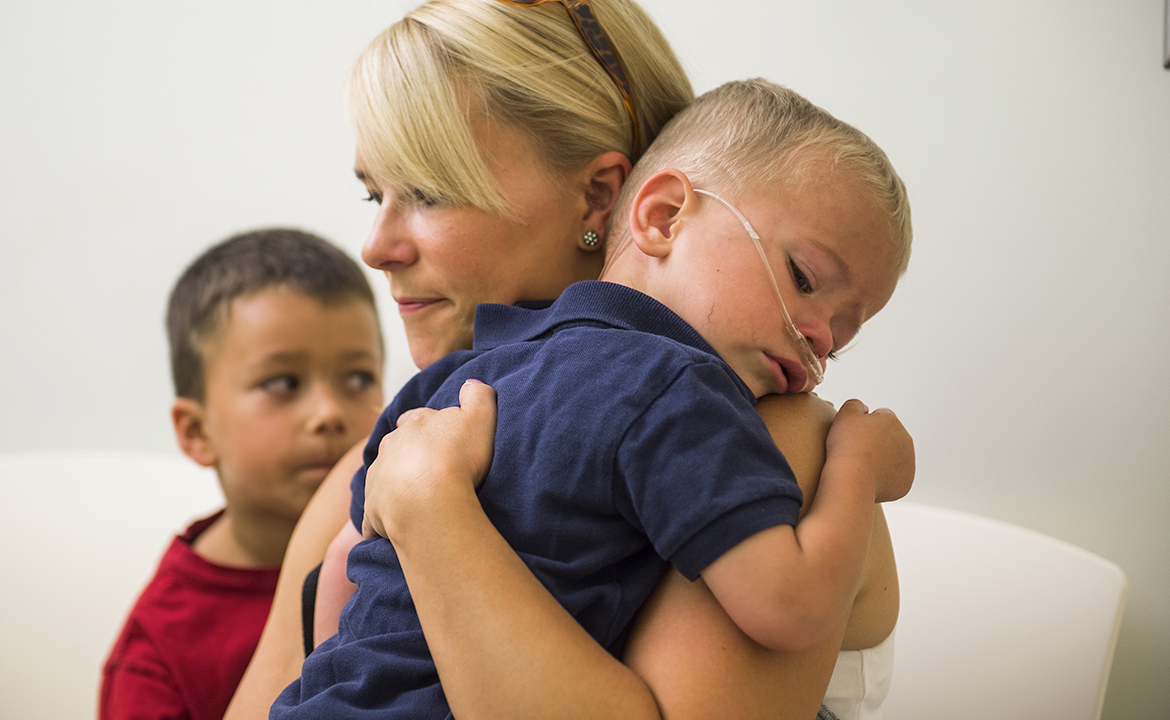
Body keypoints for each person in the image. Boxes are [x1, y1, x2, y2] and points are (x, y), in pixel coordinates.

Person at [225, 2, 905, 719]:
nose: (376, 245)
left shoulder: (761, 433)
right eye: (374, 193)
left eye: (428, 190)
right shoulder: (404, 438)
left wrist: (432, 512)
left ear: (601, 196)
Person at [100, 228, 386, 720]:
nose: (328, 412)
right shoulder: (157, 657)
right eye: (282, 383)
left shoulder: (402, 546)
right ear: (196, 431)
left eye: (358, 378)